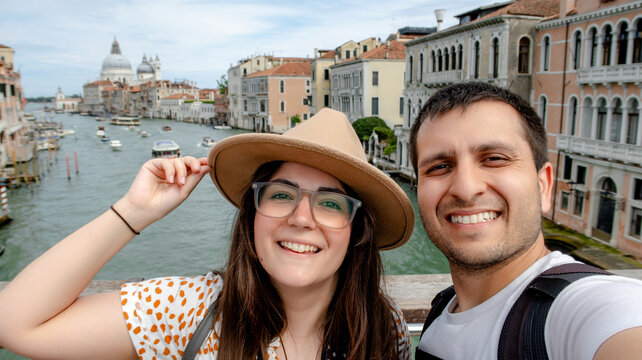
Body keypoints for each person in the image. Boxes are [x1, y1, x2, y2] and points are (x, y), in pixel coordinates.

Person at [0, 108, 414, 360]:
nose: (302, 218)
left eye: (330, 203)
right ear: (252, 213)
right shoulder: (186, 310)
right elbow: (15, 324)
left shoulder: (383, 326)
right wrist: (133, 213)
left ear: (356, 229)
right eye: (282, 194)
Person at [409, 82, 642, 359]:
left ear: (543, 186)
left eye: (494, 159)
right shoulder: (442, 310)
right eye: (440, 167)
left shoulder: (586, 309)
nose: (466, 188)